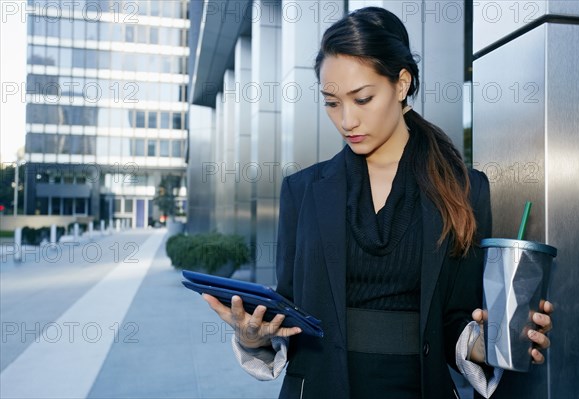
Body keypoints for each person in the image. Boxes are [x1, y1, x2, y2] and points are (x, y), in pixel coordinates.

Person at [203, 6, 553, 399]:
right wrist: (254, 339)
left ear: (401, 84)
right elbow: (289, 315)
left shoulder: (464, 191)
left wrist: (491, 342)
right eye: (332, 103)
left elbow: (456, 318)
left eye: (362, 98)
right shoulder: (301, 191)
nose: (346, 120)